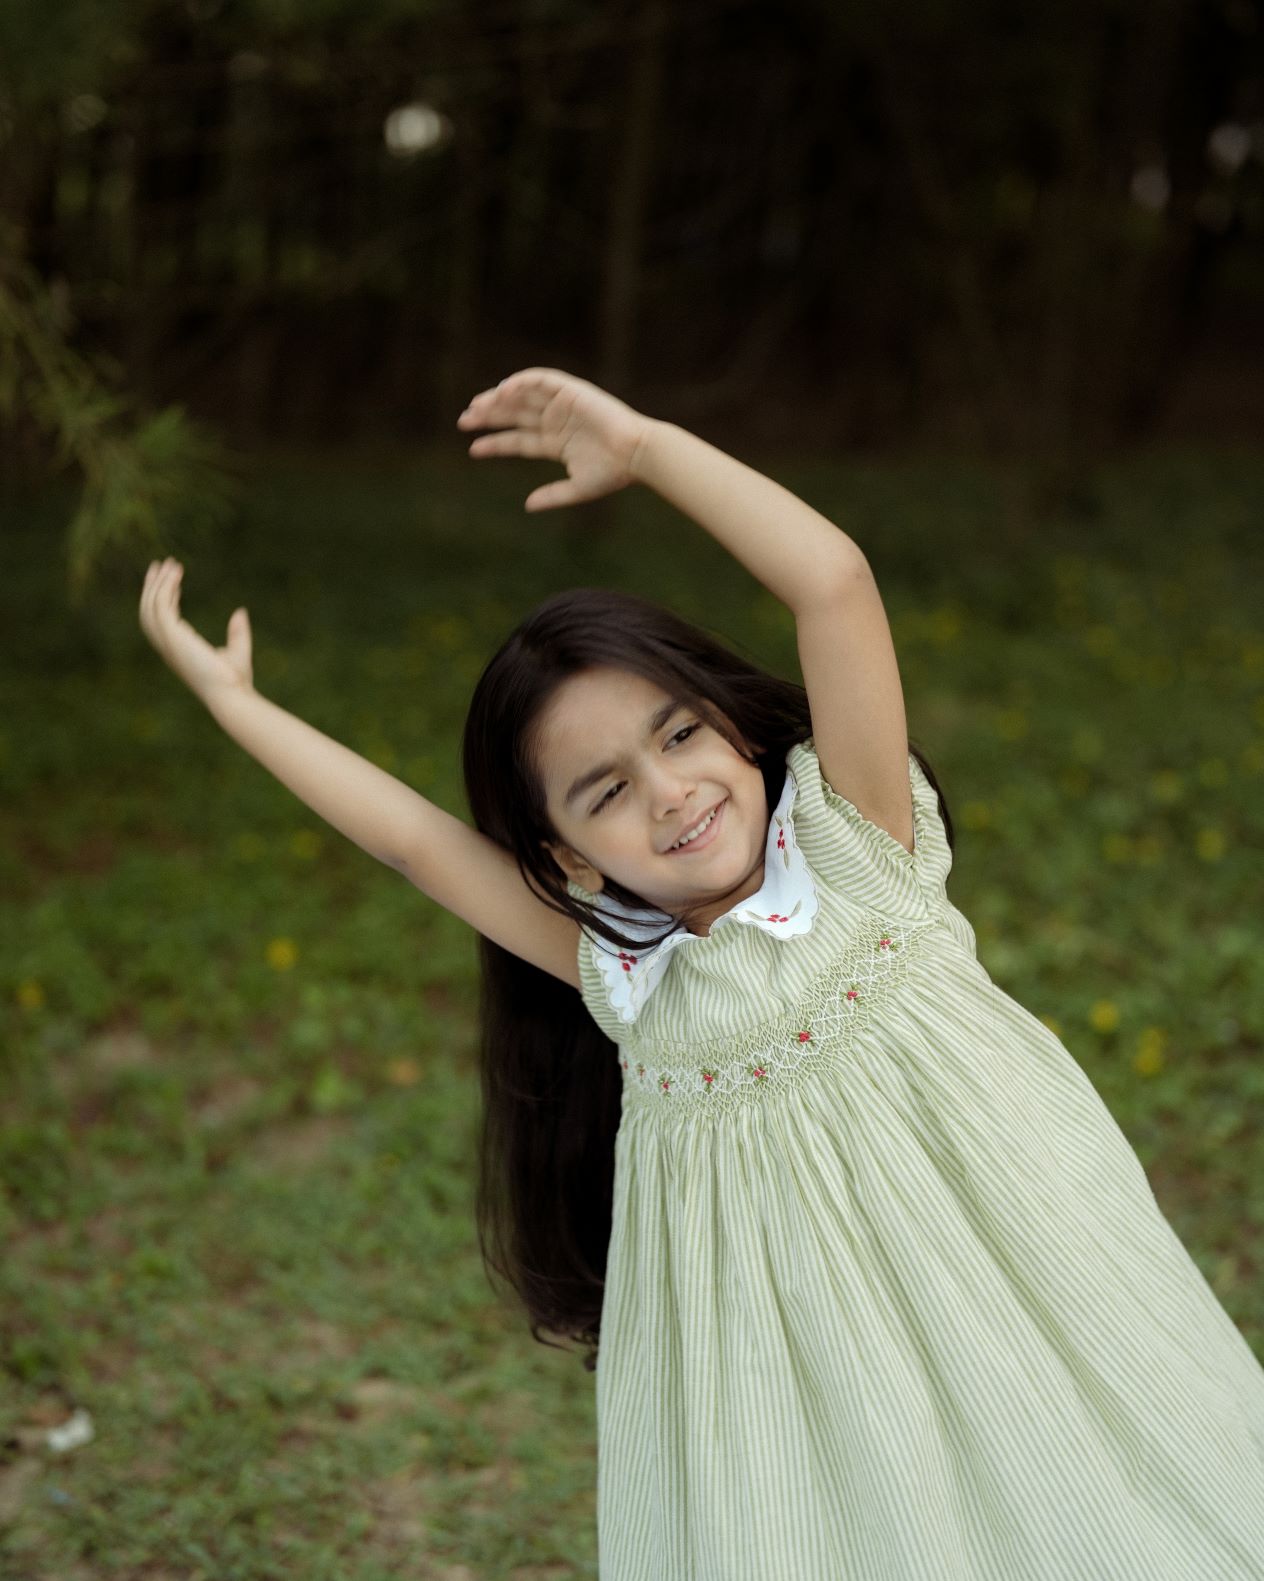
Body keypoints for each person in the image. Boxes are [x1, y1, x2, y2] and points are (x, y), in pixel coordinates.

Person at [139, 368, 1264, 1580]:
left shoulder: (856, 850)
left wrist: (644, 447)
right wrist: (235, 706)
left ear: (730, 724)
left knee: (1088, 1500)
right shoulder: (626, 975)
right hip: (799, 1382)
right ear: (568, 858)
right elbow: (415, 843)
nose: (670, 791)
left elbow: (832, 582)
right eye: (606, 791)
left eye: (678, 733)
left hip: (1013, 1278)